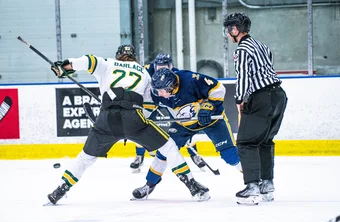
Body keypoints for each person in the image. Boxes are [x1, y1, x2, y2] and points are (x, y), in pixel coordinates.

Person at [46, 44, 210, 205]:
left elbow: (88, 60)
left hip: (106, 119)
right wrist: (138, 127)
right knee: (169, 147)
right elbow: (148, 106)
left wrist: (65, 66)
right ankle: (192, 186)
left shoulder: (108, 64)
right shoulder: (144, 72)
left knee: (85, 159)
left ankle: (60, 189)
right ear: (135, 57)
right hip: (134, 118)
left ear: (118, 55)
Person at [132, 67, 242, 199]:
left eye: (162, 91)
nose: (159, 94)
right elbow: (148, 109)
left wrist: (208, 107)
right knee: (164, 152)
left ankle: (254, 180)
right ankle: (149, 185)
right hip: (183, 124)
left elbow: (218, 88)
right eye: (157, 90)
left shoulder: (190, 80)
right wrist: (138, 121)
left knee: (230, 155)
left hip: (211, 121)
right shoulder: (157, 92)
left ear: (172, 86)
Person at [223, 13, 288, 205]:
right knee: (265, 141)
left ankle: (252, 188)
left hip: (261, 98)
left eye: (228, 29)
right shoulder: (262, 45)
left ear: (235, 29)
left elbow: (243, 76)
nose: (227, 33)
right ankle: (267, 185)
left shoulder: (242, 50)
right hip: (279, 95)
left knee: (246, 142)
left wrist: (239, 99)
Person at [130, 53, 206, 172]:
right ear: (154, 66)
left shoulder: (176, 74)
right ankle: (139, 156)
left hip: (168, 99)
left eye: (164, 67)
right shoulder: (145, 70)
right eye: (159, 67)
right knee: (139, 123)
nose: (161, 69)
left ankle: (194, 154)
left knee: (185, 122)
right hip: (150, 100)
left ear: (171, 66)